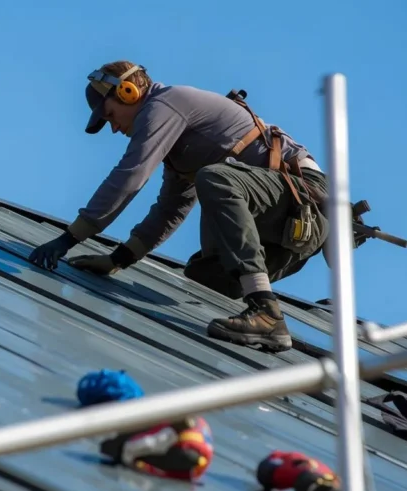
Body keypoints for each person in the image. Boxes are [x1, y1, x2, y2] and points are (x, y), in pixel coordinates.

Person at [28, 60, 330, 352]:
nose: (114, 128)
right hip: (290, 223)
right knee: (207, 275)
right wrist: (117, 259)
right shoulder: (180, 148)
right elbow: (171, 209)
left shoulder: (165, 104)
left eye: (110, 115)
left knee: (215, 178)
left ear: (127, 92)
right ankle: (268, 315)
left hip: (306, 198)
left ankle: (266, 311)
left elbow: (130, 176)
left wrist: (68, 239)